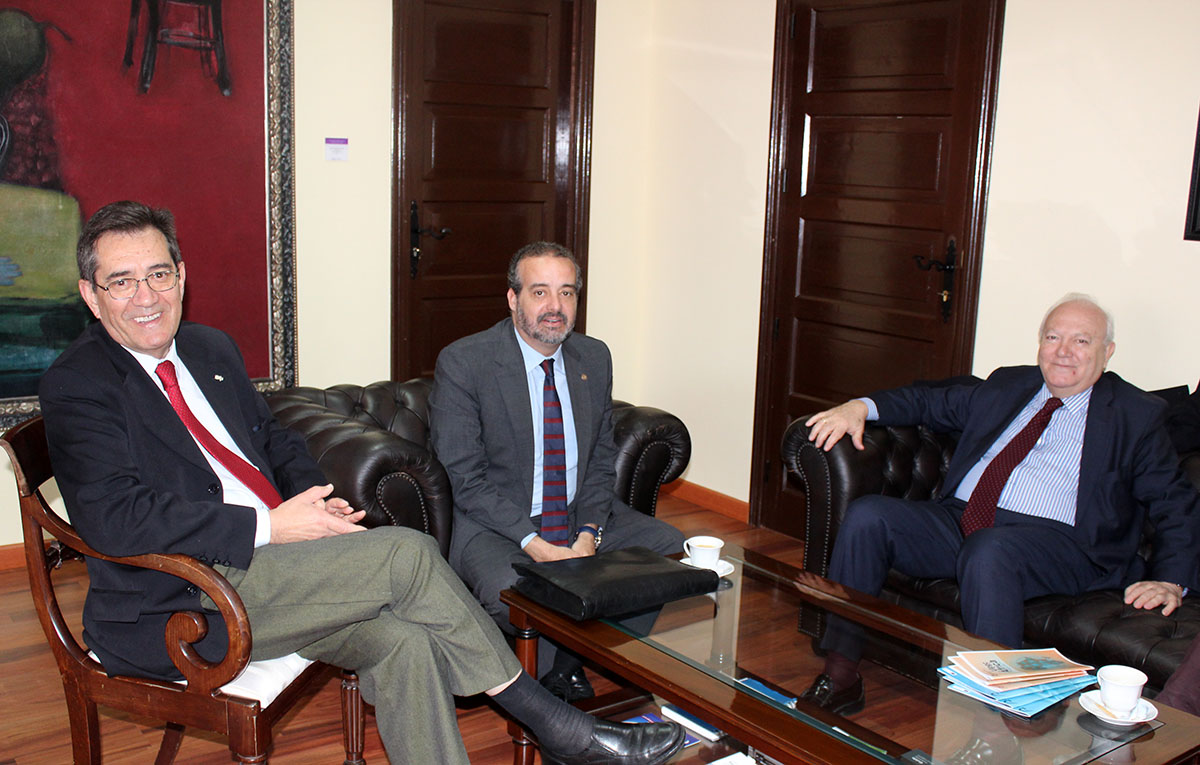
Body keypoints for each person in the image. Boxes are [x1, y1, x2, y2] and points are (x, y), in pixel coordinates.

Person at [38, 202, 685, 765]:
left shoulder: (207, 348)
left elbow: (275, 440)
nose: (146, 295)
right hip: (189, 596)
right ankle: (555, 722)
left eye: (158, 274)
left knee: (404, 643)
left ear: (181, 277)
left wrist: (319, 500)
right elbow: (113, 517)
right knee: (408, 552)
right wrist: (271, 525)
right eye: (121, 281)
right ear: (90, 295)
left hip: (278, 569)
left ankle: (553, 720)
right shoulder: (79, 383)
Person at [798, 293, 1200, 715]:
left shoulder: (1134, 413)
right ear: (1040, 343)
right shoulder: (1010, 385)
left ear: (1107, 353)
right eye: (1053, 337)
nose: (1063, 352)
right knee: (869, 516)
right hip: (963, 520)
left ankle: (993, 718)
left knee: (990, 550)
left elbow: (1174, 499)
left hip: (1062, 545)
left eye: (1081, 341)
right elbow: (928, 402)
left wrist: (1171, 578)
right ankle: (841, 675)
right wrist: (858, 406)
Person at [430, 241, 685, 701]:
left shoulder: (593, 357)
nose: (555, 307)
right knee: (515, 592)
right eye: (540, 292)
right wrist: (536, 545)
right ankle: (556, 679)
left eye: (567, 293)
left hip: (573, 513)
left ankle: (569, 660)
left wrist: (588, 533)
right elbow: (465, 478)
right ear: (513, 299)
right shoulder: (466, 362)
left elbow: (600, 462)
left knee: (670, 553)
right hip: (496, 524)